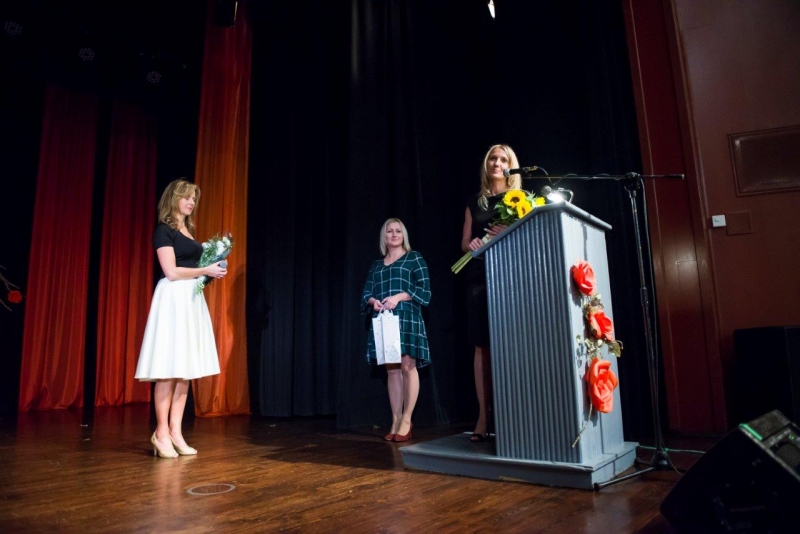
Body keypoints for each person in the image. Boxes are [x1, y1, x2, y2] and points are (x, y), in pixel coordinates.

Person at [135, 179, 228, 458]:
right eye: (186, 197)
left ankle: (176, 432)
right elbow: (171, 271)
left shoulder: (189, 230)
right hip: (173, 298)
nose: (191, 202)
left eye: (193, 199)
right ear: (173, 199)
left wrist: (211, 268)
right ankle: (161, 432)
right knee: (168, 367)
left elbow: (192, 267)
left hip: (190, 299)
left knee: (184, 369)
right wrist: (205, 271)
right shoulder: (163, 231)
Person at [460, 144, 522, 442]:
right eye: (493, 159)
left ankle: (512, 416)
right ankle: (483, 418)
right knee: (481, 346)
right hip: (479, 277)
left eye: (503, 159)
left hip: (509, 276)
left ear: (511, 166)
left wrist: (507, 232)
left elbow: (527, 237)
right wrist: (472, 245)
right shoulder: (475, 202)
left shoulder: (520, 200)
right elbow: (464, 243)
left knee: (509, 344)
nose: (497, 163)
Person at [362, 218, 432, 442]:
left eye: (398, 231)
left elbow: (425, 290)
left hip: (407, 318)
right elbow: (366, 294)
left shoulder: (414, 258)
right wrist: (374, 302)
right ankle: (395, 418)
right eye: (390, 231)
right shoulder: (376, 265)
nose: (394, 235)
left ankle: (407, 420)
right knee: (392, 370)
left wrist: (399, 296)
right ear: (384, 236)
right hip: (385, 321)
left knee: (407, 366)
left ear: (404, 236)